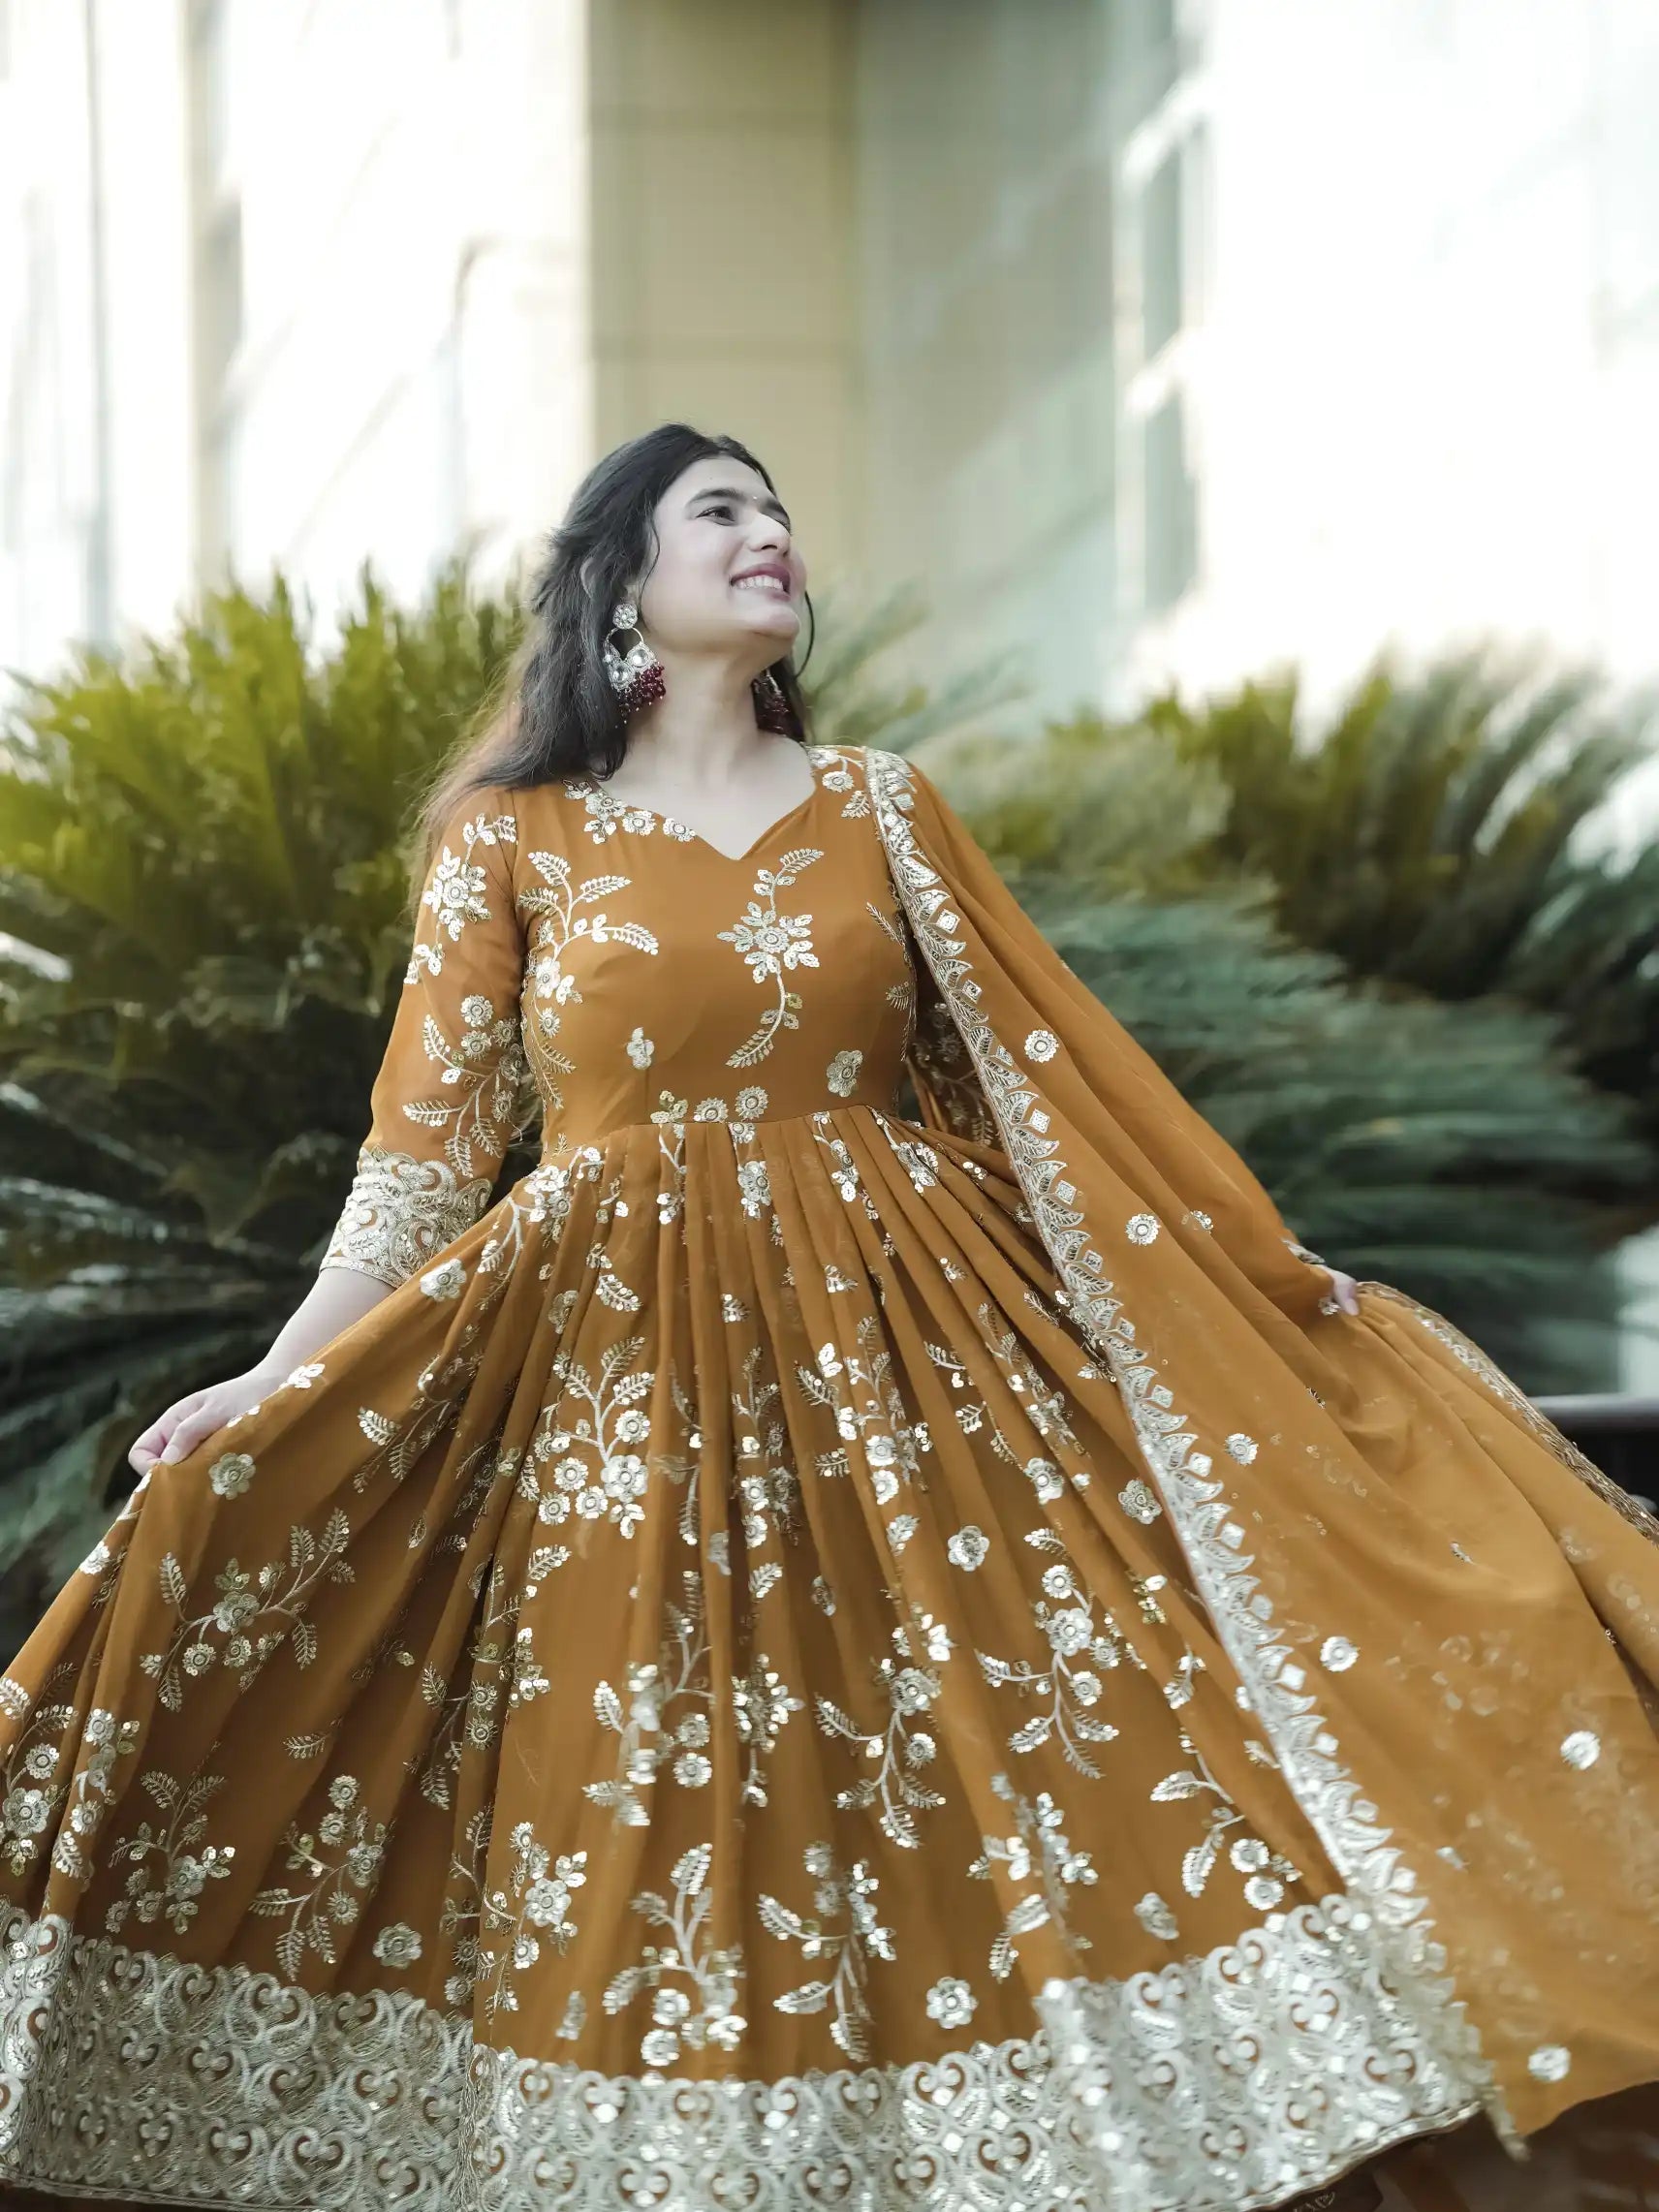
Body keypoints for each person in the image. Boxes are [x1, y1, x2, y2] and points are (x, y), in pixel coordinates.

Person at [0, 422, 1652, 2212]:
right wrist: (274, 1377)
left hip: (908, 1375)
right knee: (649, 1785)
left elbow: (1043, 1086)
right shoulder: (512, 838)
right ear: (621, 583)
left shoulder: (881, 805)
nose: (773, 534)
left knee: (974, 1775)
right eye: (723, 511)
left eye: (782, 510)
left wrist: (1241, 1283)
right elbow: (419, 1164)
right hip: (612, 1384)